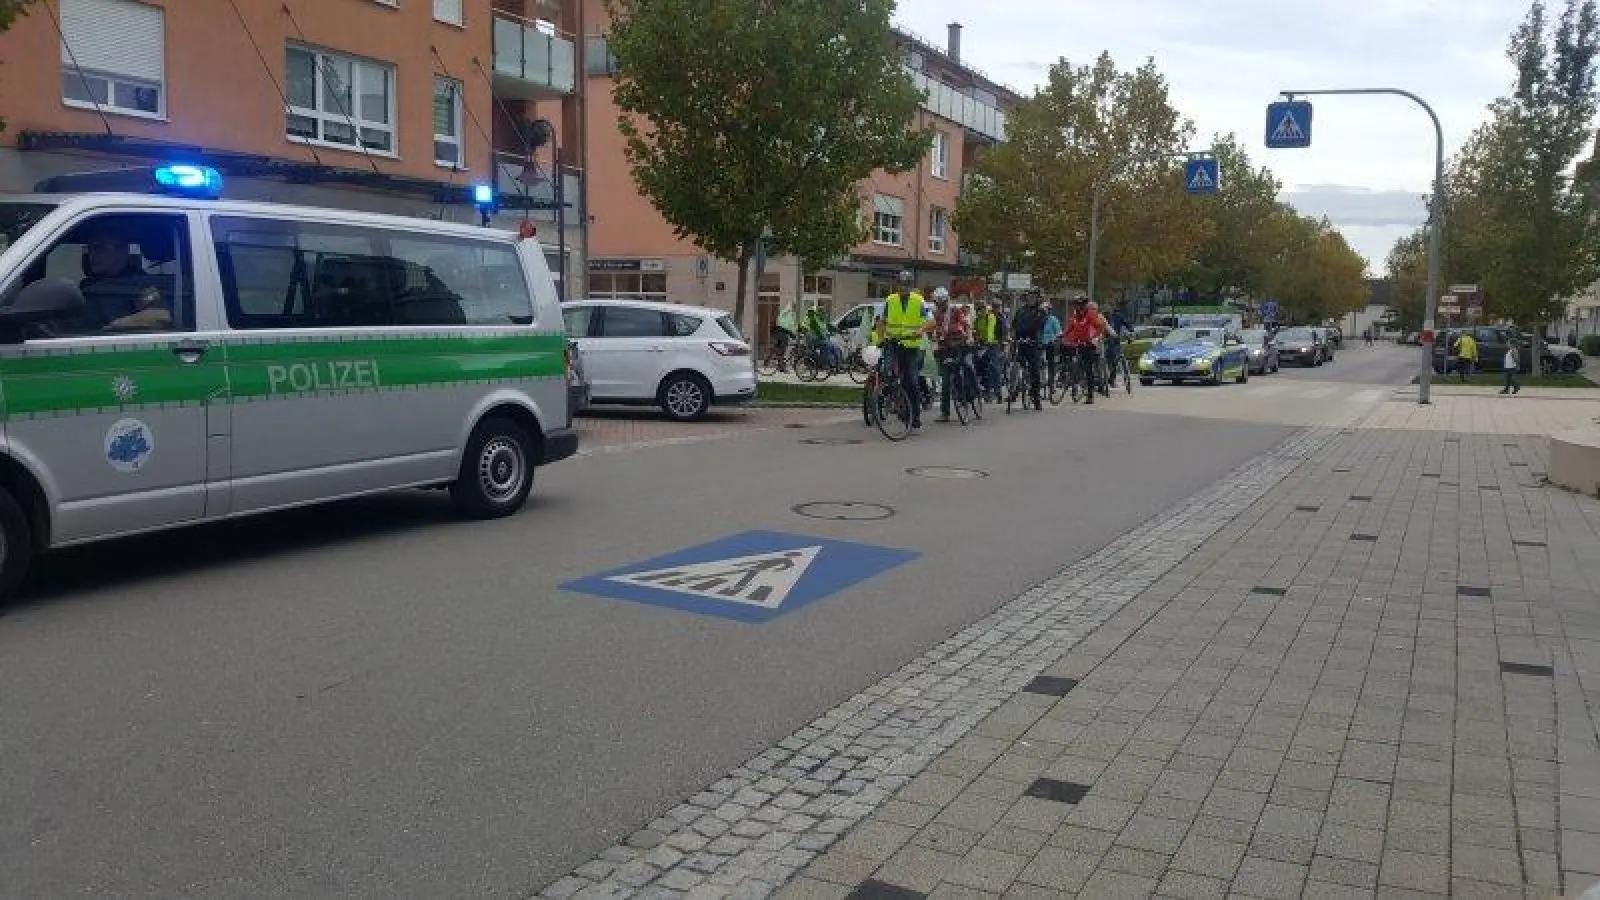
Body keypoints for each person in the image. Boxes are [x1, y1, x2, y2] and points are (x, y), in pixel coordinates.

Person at [77, 220, 174, 331]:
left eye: (98, 249)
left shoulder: (140, 284)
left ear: (121, 251)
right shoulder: (88, 284)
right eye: (90, 249)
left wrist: (114, 326)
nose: (92, 255)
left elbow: (160, 316)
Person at [872, 274, 927, 430]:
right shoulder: (890, 300)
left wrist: (920, 330)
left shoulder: (919, 301)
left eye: (907, 284)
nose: (904, 287)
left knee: (912, 381)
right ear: (897, 285)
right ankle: (890, 401)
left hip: (911, 347)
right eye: (901, 284)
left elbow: (931, 321)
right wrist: (880, 339)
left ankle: (915, 415)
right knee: (886, 372)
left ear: (911, 286)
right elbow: (881, 322)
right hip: (893, 343)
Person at [930, 288, 974, 422]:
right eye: (938, 303)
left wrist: (969, 337)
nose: (940, 305)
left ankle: (965, 399)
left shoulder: (955, 311)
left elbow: (965, 324)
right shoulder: (935, 315)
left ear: (947, 301)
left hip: (958, 346)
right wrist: (934, 344)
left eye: (942, 302)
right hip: (944, 350)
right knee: (945, 383)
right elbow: (933, 331)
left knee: (961, 372)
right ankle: (945, 413)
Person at [1063, 296, 1105, 404]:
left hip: (1089, 344)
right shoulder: (1076, 315)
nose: (1077, 306)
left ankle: (1090, 396)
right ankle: (1074, 383)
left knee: (1088, 369)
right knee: (1075, 363)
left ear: (1084, 305)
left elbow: (1100, 326)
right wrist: (1063, 334)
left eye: (1079, 304)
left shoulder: (1090, 314)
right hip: (1079, 342)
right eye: (1076, 304)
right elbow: (1071, 326)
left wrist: (1093, 337)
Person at [1008, 291, 1045, 410]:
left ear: (1037, 299)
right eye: (1029, 297)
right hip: (1021, 342)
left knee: (1034, 370)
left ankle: (1036, 397)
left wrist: (1033, 337)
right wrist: (1013, 338)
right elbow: (1014, 326)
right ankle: (1013, 391)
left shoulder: (1040, 311)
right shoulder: (1021, 311)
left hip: (1033, 343)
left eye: (1033, 297)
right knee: (1015, 366)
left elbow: (1040, 326)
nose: (1031, 299)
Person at [974, 298, 1002, 401]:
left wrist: (988, 341)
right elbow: (975, 330)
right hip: (982, 345)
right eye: (977, 309)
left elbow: (990, 330)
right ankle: (986, 389)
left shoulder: (990, 317)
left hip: (992, 344)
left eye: (980, 308)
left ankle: (998, 391)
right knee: (980, 365)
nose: (978, 311)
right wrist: (975, 340)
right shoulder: (977, 319)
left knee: (994, 367)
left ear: (984, 308)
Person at [1098, 302, 1130, 388]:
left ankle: (1112, 379)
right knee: (1107, 358)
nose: (1108, 311)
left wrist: (1131, 331)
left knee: (1115, 360)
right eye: (1106, 310)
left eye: (1109, 309)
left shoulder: (1118, 316)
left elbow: (1126, 324)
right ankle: (1104, 379)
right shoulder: (1102, 317)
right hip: (1105, 341)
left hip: (1115, 340)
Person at [1039, 295, 1062, 391]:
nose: (1044, 312)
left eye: (1045, 310)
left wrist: (1056, 339)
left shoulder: (1053, 319)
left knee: (1051, 364)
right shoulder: (1039, 319)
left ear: (1049, 310)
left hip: (1050, 344)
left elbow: (1059, 332)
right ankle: (1040, 381)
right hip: (1040, 344)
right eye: (1042, 311)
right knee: (1039, 363)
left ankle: (1051, 383)